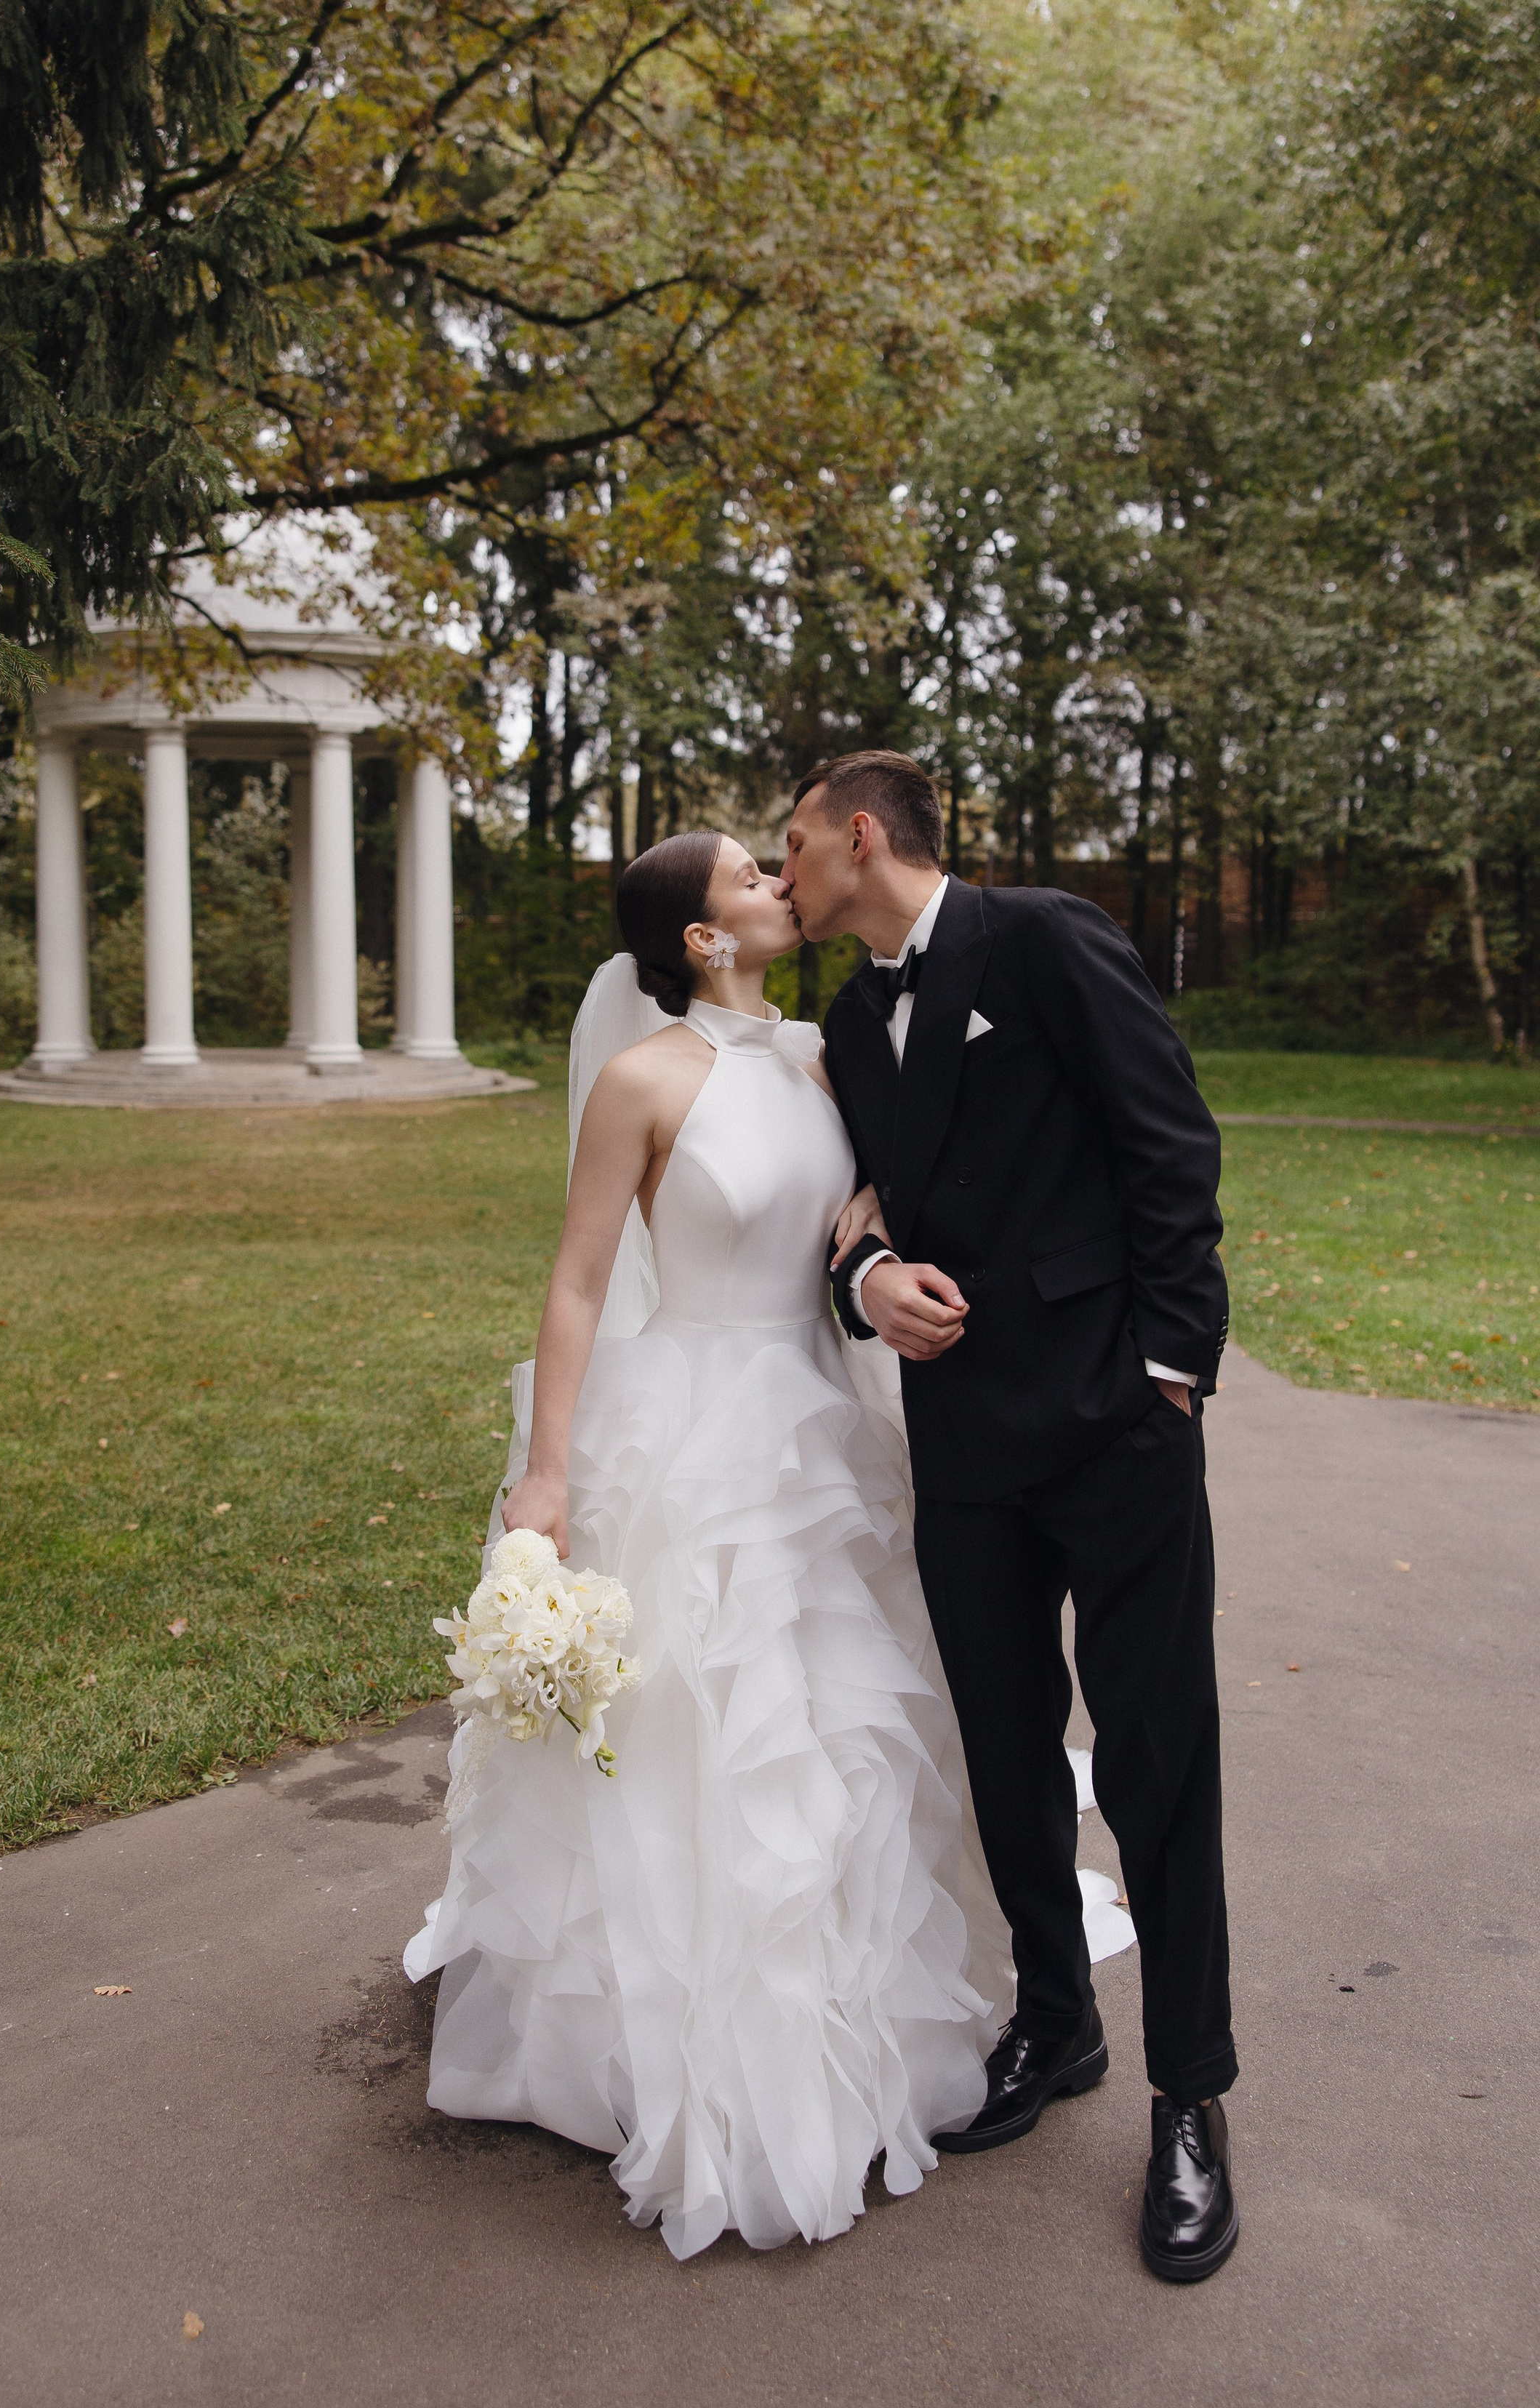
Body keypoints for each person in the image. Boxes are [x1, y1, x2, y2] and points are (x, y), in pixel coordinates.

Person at [404, 831, 1009, 2261]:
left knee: (832, 1726)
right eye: (749, 875)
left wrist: (872, 1245)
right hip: (683, 1431)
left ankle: (837, 2019)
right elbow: (576, 1281)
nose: (775, 884)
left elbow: (859, 1211)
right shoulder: (643, 1080)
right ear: (697, 937)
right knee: (694, 1733)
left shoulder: (822, 1054)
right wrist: (543, 1476)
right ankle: (677, 2036)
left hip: (822, 1429)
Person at [780, 750, 1240, 2284]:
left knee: (1158, 1763)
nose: (784, 880)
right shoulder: (850, 1020)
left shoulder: (1040, 937)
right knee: (1003, 1752)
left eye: (793, 849)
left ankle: (1190, 2099)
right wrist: (866, 1285)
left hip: (1114, 1432)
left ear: (859, 837)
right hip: (964, 1446)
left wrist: (1168, 1373)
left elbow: (1168, 1144)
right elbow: (853, 1219)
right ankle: (1057, 2022)